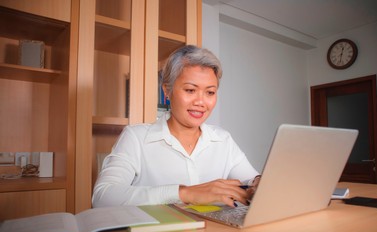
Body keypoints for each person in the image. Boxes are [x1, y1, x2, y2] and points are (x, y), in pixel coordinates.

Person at [92, 45, 260, 208]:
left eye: (210, 92)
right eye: (190, 90)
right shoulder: (136, 137)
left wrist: (259, 183)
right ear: (167, 91)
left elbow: (251, 180)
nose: (200, 102)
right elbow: (103, 196)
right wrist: (185, 193)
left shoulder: (223, 139)